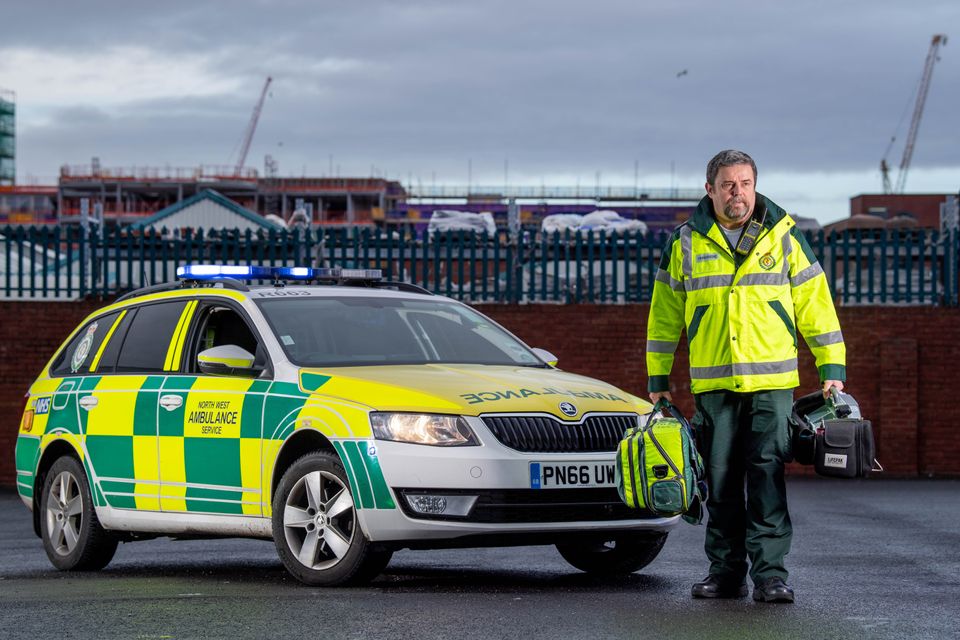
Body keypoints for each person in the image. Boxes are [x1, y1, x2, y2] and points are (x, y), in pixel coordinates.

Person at [645, 150, 845, 603]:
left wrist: (832, 367)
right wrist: (658, 376)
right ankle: (725, 572)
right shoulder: (685, 243)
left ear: (756, 184)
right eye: (730, 185)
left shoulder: (784, 237)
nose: (739, 193)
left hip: (772, 384)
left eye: (747, 183)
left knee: (767, 477)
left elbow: (816, 305)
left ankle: (771, 576)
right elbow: (663, 318)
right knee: (720, 481)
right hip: (715, 386)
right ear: (710, 189)